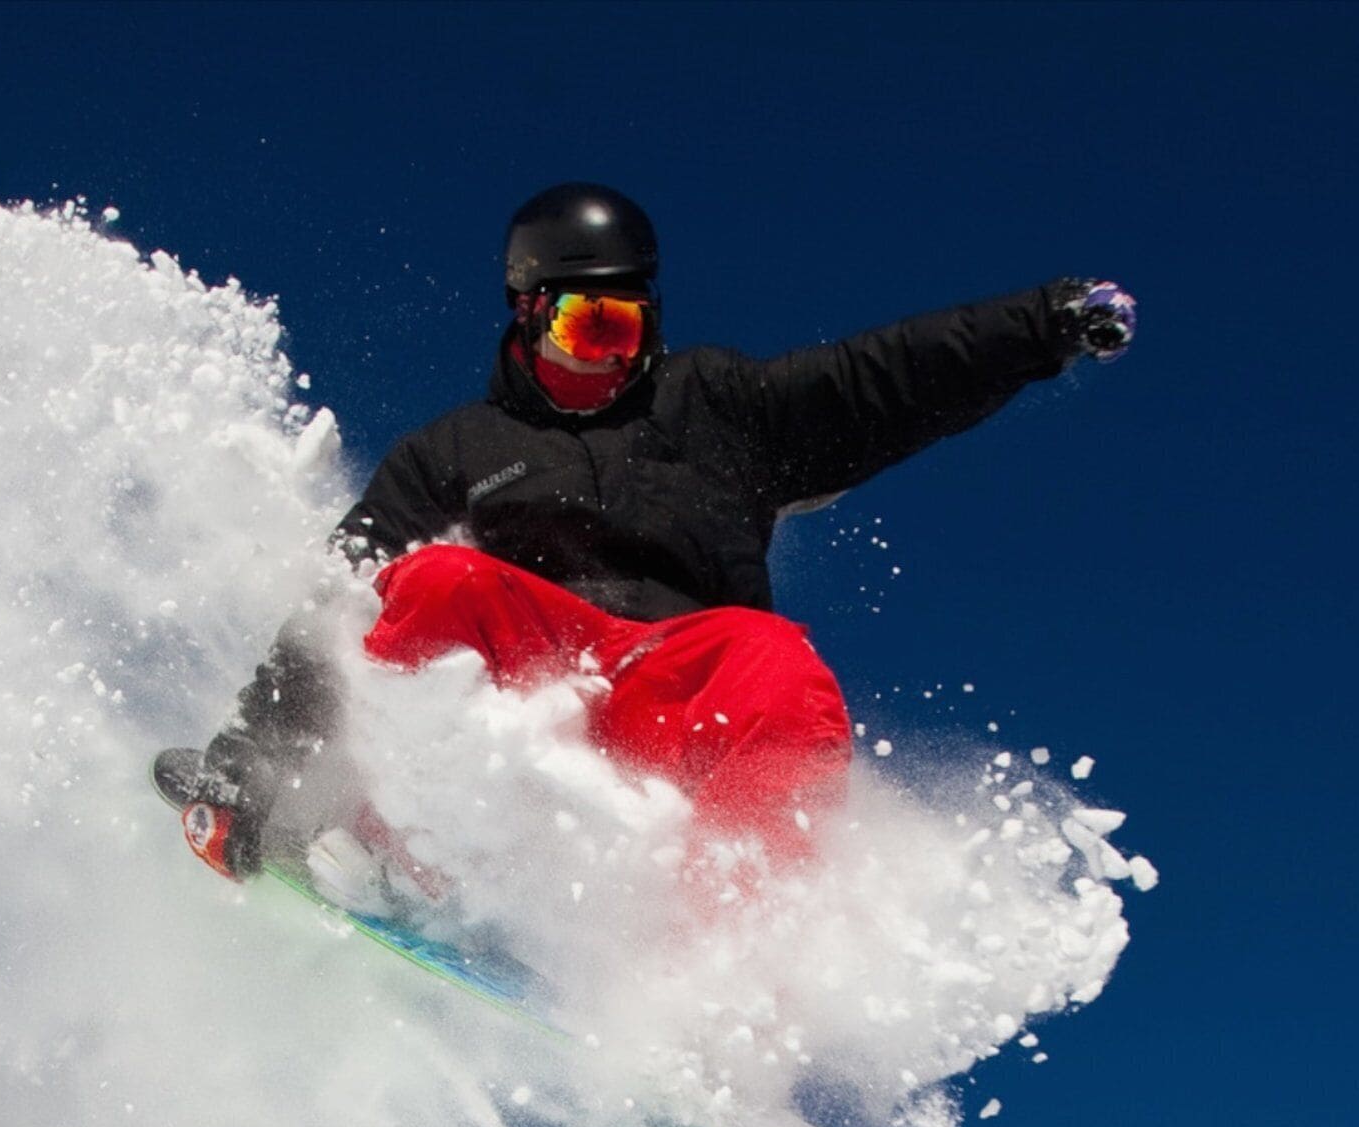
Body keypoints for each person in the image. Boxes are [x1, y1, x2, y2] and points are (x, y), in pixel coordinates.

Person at [157, 181, 1135, 886]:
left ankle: (716, 966)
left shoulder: (718, 404)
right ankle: (384, 843)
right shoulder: (454, 448)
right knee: (435, 582)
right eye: (589, 330)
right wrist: (242, 769)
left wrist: (1041, 324)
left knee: (780, 668)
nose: (612, 361)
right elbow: (341, 604)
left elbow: (887, 378)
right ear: (529, 314)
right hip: (527, 673)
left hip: (670, 685)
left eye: (630, 333)